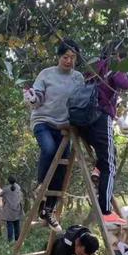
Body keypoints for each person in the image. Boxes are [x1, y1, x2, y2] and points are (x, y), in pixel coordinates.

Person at [77, 41, 128, 215]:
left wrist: (118, 119)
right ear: (117, 56)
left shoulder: (93, 68)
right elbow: (119, 79)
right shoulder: (112, 66)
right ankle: (105, 210)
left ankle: (97, 171)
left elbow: (97, 96)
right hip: (100, 118)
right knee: (110, 165)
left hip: (82, 119)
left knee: (108, 152)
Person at [24, 39, 84, 232]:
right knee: (49, 150)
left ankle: (48, 209)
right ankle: (40, 186)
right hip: (43, 120)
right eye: (65, 57)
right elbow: (38, 96)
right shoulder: (46, 74)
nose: (69, 61)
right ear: (59, 57)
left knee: (62, 167)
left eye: (73, 57)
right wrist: (33, 98)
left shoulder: (78, 78)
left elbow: (81, 101)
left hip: (64, 127)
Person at [0, 176, 24, 242]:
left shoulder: (6, 189)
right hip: (17, 209)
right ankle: (17, 240)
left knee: (10, 225)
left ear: (8, 181)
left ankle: (10, 240)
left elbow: (0, 194)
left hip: (9, 210)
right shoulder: (18, 187)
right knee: (17, 225)